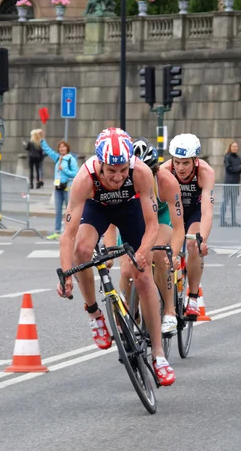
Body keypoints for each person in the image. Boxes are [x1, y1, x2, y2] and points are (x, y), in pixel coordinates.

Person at [56, 128, 175, 386]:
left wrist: (142, 253)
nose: (118, 176)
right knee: (82, 251)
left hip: (130, 210)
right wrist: (65, 273)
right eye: (111, 171)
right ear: (99, 163)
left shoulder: (140, 171)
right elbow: (67, 234)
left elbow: (153, 225)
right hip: (97, 208)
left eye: (123, 169)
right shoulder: (84, 178)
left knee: (142, 278)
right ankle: (94, 314)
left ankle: (158, 354)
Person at [105, 138, 186, 336]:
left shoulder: (167, 182)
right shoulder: (120, 182)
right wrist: (109, 252)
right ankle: (133, 314)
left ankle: (169, 311)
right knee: (126, 270)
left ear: (155, 170)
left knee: (159, 254)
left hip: (160, 217)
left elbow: (178, 227)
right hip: (134, 218)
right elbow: (110, 222)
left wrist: (173, 255)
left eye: (148, 172)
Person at [161, 134, 215, 317]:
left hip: (194, 212)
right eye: (177, 162)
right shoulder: (164, 170)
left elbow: (207, 210)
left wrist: (203, 240)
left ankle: (192, 297)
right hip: (172, 211)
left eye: (185, 163)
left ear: (195, 160)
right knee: (162, 248)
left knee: (193, 245)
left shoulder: (205, 172)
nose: (180, 168)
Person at [38, 130, 79, 240]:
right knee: (58, 210)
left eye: (63, 147)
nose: (62, 149)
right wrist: (42, 140)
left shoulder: (71, 159)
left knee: (69, 210)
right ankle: (57, 231)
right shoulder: (58, 158)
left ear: (67, 148)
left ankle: (70, 231)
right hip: (58, 187)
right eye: (60, 147)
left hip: (68, 187)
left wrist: (64, 169)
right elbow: (48, 150)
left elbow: (76, 173)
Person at [221, 141, 241, 227]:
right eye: (233, 146)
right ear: (230, 147)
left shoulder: (238, 158)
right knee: (225, 201)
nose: (235, 148)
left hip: (236, 182)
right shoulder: (227, 157)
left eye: (236, 146)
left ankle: (233, 221)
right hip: (229, 182)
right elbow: (229, 169)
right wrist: (240, 167)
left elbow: (238, 170)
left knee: (234, 203)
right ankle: (222, 221)